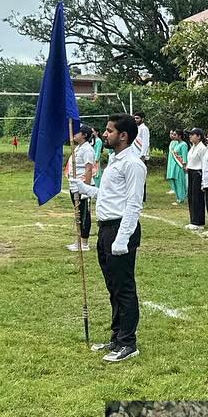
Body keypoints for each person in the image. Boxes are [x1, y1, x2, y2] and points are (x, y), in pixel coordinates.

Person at [72, 114, 147, 362]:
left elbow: (133, 204)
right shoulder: (114, 159)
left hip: (120, 229)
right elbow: (109, 194)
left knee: (124, 288)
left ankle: (128, 343)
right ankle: (117, 337)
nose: (104, 134)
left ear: (123, 136)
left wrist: (123, 238)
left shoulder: (133, 164)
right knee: (112, 287)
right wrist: (85, 189)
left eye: (109, 130)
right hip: (106, 229)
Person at [66, 126, 97, 252]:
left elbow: (88, 169)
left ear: (84, 135)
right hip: (75, 186)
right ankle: (77, 241)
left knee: (84, 214)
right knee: (77, 213)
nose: (74, 134)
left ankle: (84, 243)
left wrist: (86, 189)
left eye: (77, 132)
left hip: (83, 185)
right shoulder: (78, 148)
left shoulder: (87, 149)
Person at [184, 128, 206, 230]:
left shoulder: (202, 148)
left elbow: (204, 163)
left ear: (198, 136)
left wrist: (203, 180)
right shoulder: (192, 147)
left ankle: (198, 221)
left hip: (198, 173)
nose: (190, 136)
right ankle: (193, 219)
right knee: (191, 196)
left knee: (197, 197)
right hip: (191, 172)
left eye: (192, 135)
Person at [132, 112, 150, 202]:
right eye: (135, 118)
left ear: (142, 119)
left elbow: (145, 143)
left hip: (140, 156)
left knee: (141, 177)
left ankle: (142, 197)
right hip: (134, 155)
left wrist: (143, 155)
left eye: (137, 118)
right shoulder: (135, 128)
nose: (135, 120)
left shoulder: (144, 129)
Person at [165, 129, 188, 204]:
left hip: (180, 166)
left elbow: (184, 156)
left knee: (179, 182)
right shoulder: (176, 144)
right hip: (174, 166)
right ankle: (178, 198)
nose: (173, 136)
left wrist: (184, 165)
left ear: (180, 136)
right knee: (175, 181)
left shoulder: (183, 145)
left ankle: (181, 199)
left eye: (175, 135)